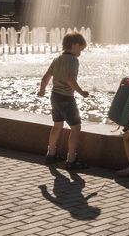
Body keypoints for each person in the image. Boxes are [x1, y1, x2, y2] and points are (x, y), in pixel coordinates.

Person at [37, 32, 90, 169]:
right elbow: (70, 79)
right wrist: (82, 92)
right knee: (76, 127)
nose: (81, 52)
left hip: (54, 96)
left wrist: (42, 90)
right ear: (75, 45)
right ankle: (71, 159)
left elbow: (45, 77)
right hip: (66, 98)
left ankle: (51, 154)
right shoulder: (73, 60)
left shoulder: (57, 59)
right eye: (81, 49)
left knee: (57, 125)